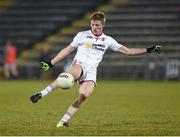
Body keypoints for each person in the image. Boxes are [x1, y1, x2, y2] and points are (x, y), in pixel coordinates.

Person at [30, 11, 161, 127]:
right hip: (80, 64)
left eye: (97, 25)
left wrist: (149, 49)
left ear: (103, 25)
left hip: (92, 72)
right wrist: (51, 63)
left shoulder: (108, 40)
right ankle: (41, 93)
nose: (94, 27)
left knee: (84, 95)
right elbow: (67, 50)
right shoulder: (82, 35)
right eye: (92, 24)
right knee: (70, 76)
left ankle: (62, 122)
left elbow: (128, 52)